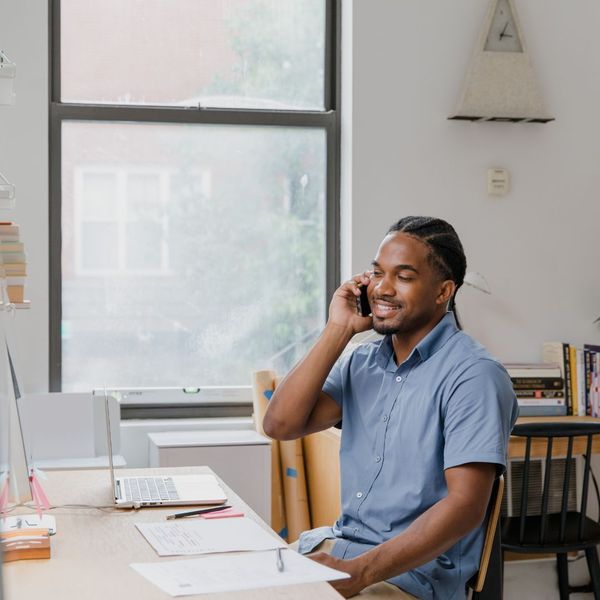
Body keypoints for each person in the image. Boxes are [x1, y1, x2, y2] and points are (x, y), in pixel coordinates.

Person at [263, 216, 518, 599]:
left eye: (404, 276)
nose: (382, 287)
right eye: (377, 272)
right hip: (339, 549)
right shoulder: (361, 362)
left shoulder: (474, 376)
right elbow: (280, 423)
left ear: (443, 291)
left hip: (411, 577)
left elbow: (465, 506)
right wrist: (339, 329)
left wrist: (359, 573)